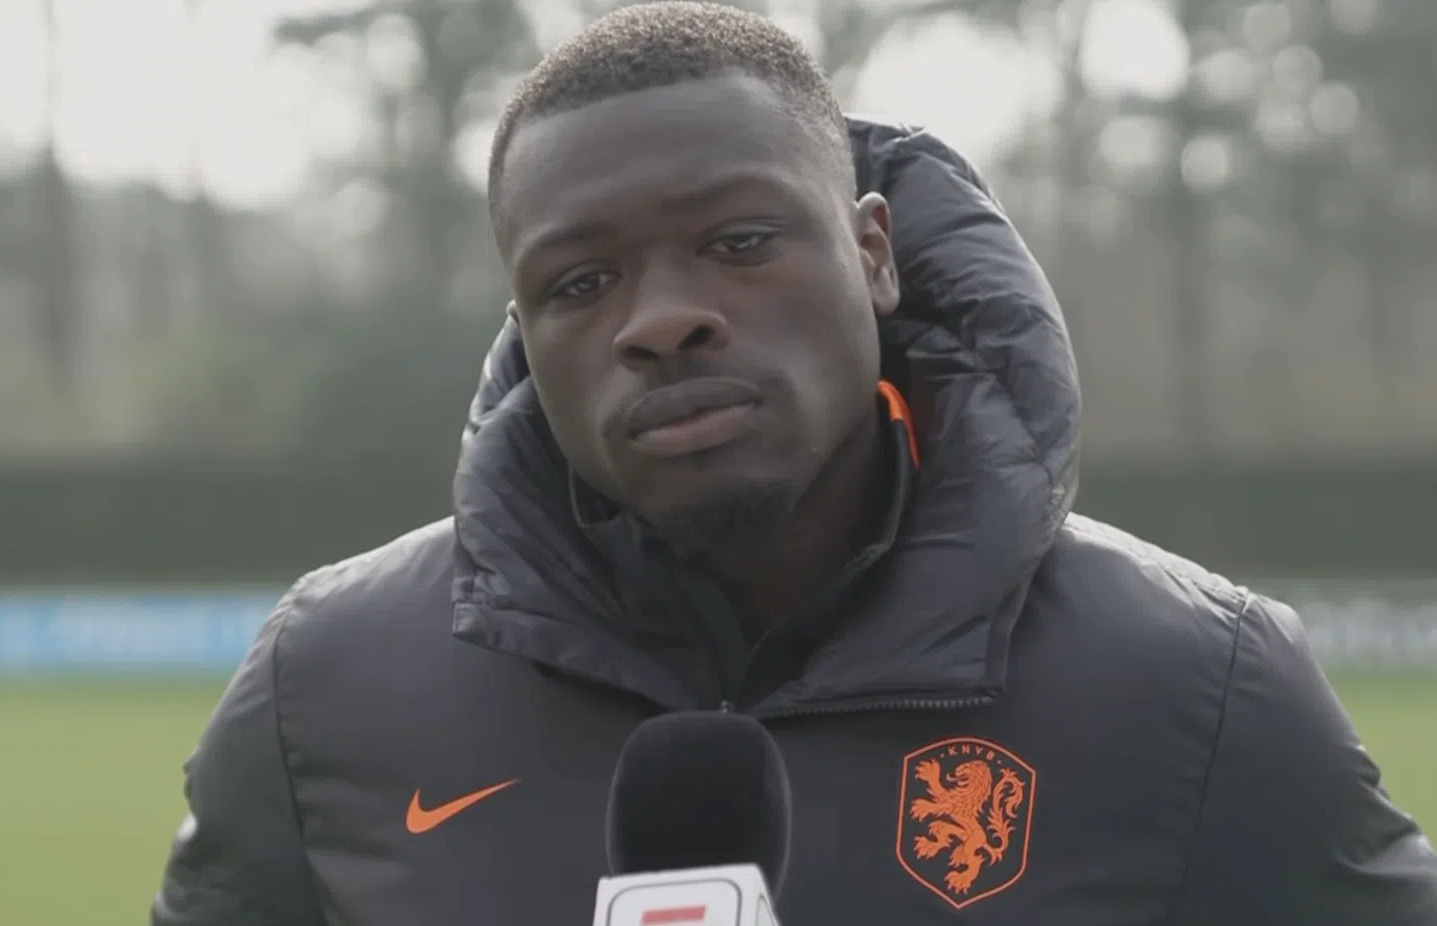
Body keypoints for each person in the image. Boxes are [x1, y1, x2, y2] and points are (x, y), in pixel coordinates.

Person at [150, 3, 1437, 924]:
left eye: (739, 241)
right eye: (580, 281)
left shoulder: (1199, 688)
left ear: (872, 252)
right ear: (524, 327)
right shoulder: (319, 691)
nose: (661, 319)